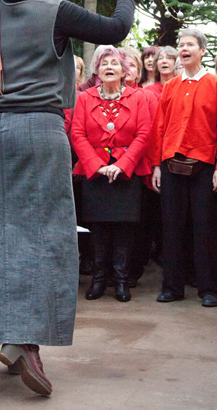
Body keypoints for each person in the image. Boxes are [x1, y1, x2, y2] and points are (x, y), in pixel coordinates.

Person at [0, 0, 143, 396]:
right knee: (46, 235)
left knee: (2, 232)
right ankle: (27, 341)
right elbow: (116, 30)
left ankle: (9, 334)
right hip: (39, 131)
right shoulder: (54, 12)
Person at [150, 28, 217, 308]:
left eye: (190, 45)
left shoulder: (215, 85)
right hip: (171, 165)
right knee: (171, 228)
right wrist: (156, 165)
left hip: (205, 166)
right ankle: (172, 287)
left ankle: (209, 289)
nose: (184, 49)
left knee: (205, 229)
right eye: (181, 45)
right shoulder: (171, 87)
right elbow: (159, 128)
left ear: (202, 51)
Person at [71, 47, 151, 302]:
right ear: (96, 70)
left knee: (124, 230)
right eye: (104, 63)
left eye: (115, 63)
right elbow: (77, 134)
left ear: (124, 71)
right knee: (98, 229)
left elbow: (143, 134)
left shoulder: (138, 97)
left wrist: (122, 164)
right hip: (95, 173)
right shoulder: (84, 98)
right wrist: (97, 165)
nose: (109, 67)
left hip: (126, 172)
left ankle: (121, 281)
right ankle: (98, 280)